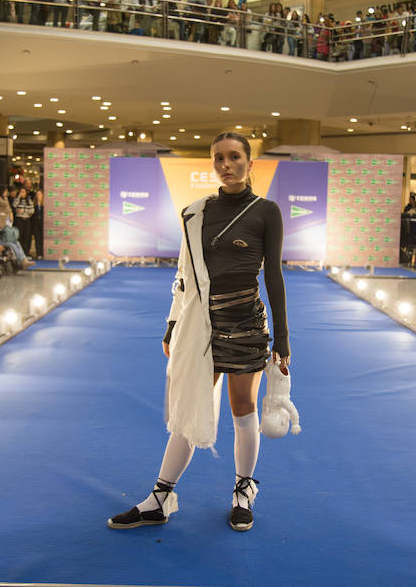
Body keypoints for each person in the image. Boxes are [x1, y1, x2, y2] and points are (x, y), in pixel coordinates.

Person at [108, 132, 290, 533]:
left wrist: (283, 339)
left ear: (249, 162)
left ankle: (243, 491)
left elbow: (274, 277)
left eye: (234, 157)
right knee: (189, 408)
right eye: (219, 158)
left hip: (246, 326)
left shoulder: (267, 212)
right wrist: (172, 325)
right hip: (199, 327)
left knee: (243, 409)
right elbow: (184, 278)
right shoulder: (194, 212)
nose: (226, 165)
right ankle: (160, 497)